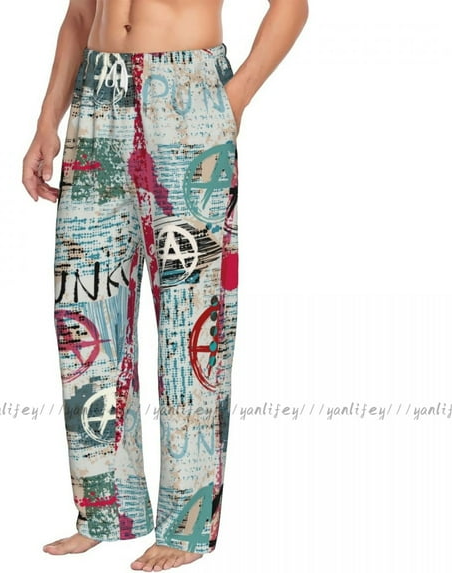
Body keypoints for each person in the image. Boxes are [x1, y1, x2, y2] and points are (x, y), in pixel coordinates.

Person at [22, 0, 308, 570]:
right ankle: (108, 511)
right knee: (87, 312)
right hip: (96, 98)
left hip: (188, 93)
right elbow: (79, 15)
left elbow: (292, 6)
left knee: (191, 320)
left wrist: (233, 98)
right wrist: (46, 123)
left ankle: (187, 525)